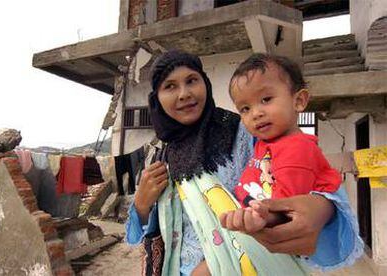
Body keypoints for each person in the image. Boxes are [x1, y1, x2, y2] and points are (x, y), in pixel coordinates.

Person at [125, 50, 363, 275]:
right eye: (170, 86)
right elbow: (149, 233)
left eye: (191, 80)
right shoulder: (161, 157)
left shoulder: (248, 132)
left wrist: (321, 209)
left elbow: (310, 180)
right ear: (156, 98)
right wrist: (142, 205)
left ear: (205, 83)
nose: (184, 93)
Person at [220, 53, 342, 233]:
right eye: (245, 108)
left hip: (271, 235)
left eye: (266, 99)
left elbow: (287, 211)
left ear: (299, 101)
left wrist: (260, 219)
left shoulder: (297, 149)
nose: (255, 113)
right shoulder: (266, 143)